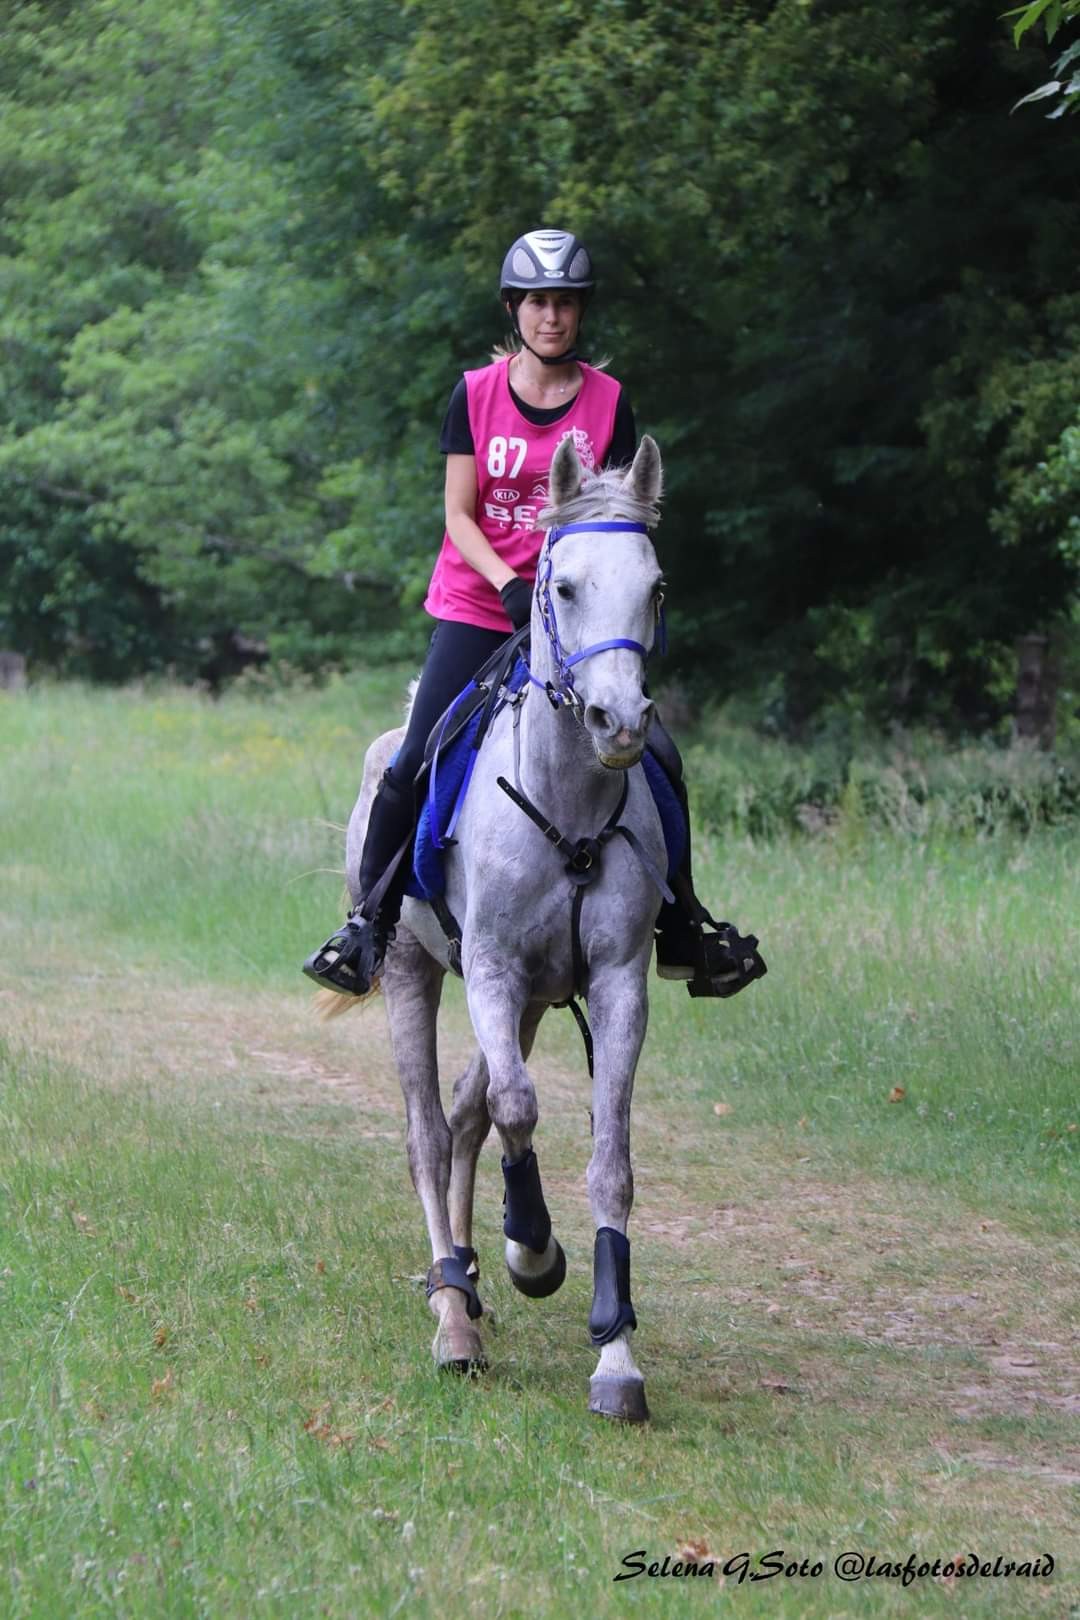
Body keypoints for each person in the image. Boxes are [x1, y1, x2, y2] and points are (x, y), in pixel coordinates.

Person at [303, 228, 764, 1000]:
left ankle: (684, 927)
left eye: (566, 304)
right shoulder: (474, 394)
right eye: (539, 302)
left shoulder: (609, 402)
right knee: (415, 757)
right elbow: (458, 515)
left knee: (661, 761)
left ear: (580, 314)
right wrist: (508, 585)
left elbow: (617, 518)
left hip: (576, 618)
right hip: (481, 606)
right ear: (515, 308)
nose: (553, 316)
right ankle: (369, 925)